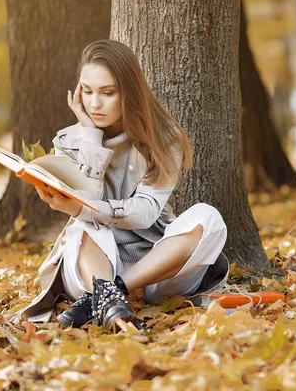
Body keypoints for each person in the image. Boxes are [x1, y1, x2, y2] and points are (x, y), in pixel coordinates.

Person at [16, 40, 229, 333]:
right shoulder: (66, 142)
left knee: (209, 217)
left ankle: (110, 295)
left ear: (129, 92)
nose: (94, 104)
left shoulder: (164, 138)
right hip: (90, 266)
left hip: (156, 270)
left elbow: (144, 213)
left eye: (108, 93)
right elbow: (88, 200)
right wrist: (91, 137)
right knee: (84, 224)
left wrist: (82, 207)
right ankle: (107, 296)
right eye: (87, 92)